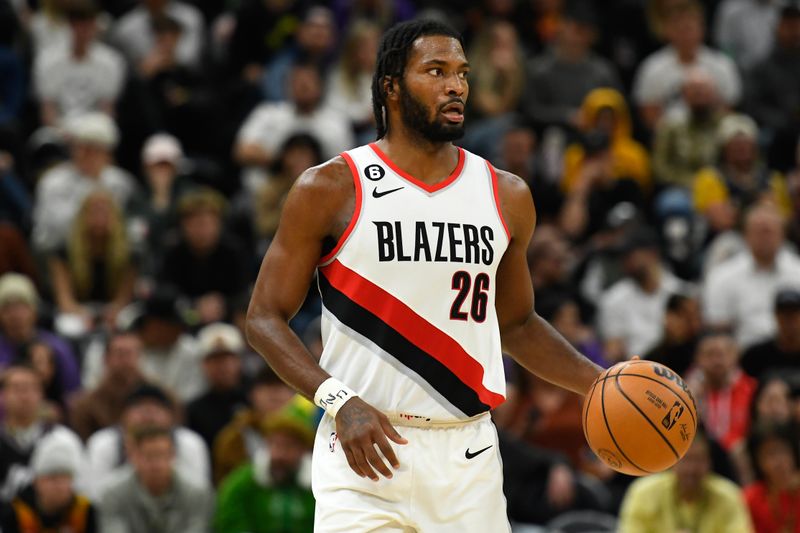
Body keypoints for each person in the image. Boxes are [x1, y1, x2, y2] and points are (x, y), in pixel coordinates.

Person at [245, 19, 603, 531]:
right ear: (391, 85)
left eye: (461, 73)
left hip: (468, 455)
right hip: (363, 449)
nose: (455, 85)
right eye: (436, 71)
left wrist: (596, 382)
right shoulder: (330, 187)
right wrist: (336, 401)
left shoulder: (506, 195)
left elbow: (518, 325)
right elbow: (263, 318)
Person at [702, 205, 800, 349]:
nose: (764, 238)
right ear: (745, 235)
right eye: (758, 231)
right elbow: (716, 327)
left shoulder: (797, 271)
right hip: (742, 357)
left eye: (768, 231)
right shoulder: (723, 276)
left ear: (782, 234)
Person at [618, 429, 753, 533]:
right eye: (686, 459)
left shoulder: (729, 495)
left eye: (699, 460)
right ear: (672, 461)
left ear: (710, 463)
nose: (692, 469)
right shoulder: (643, 492)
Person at [213, 404, 316, 533]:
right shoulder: (243, 482)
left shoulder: (318, 486)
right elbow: (229, 521)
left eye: (288, 446)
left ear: (303, 449)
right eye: (274, 444)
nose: (279, 454)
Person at [97, 426, 214, 533]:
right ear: (133, 456)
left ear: (173, 455)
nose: (157, 464)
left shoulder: (197, 491)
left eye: (162, 455)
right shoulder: (113, 493)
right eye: (149, 456)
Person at [0, 430, 97, 532]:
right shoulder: (15, 513)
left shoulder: (85, 511)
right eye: (52, 478)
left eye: (64, 478)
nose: (59, 486)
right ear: (36, 481)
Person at [69, 330, 148, 442]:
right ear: (106, 359)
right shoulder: (87, 406)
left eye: (130, 353)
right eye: (120, 354)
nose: (125, 360)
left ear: (140, 357)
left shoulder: (160, 399)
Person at [186, 322, 248, 452]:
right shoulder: (194, 411)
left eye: (227, 358)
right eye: (214, 360)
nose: (222, 366)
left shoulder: (254, 399)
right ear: (203, 365)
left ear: (239, 361)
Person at [743, 422, 800, 533]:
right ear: (758, 461)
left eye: (782, 451)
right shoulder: (750, 498)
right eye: (770, 454)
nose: (778, 462)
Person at [741, 287, 800, 381]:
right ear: (776, 316)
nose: (789, 319)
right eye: (784, 314)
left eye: (794, 313)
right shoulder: (755, 356)